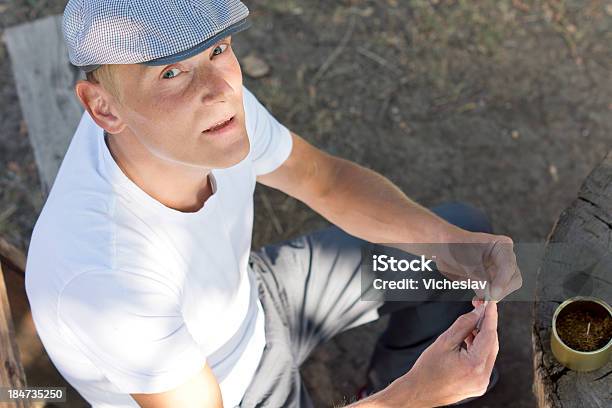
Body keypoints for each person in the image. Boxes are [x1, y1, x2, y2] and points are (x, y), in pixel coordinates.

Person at [24, 1, 522, 407]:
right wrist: (413, 396)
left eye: (217, 47)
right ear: (103, 107)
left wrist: (444, 245)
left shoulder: (207, 117)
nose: (221, 90)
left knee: (459, 235)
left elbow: (324, 182)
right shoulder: (107, 276)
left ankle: (380, 385)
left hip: (255, 297)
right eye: (171, 72)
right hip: (230, 390)